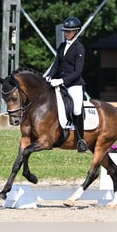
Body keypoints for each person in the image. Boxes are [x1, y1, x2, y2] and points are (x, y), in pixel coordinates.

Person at [45, 17, 88, 153]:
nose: (66, 34)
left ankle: (81, 140)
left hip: (74, 84)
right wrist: (49, 76)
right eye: (65, 31)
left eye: (69, 32)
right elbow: (56, 65)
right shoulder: (62, 46)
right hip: (60, 82)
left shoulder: (79, 48)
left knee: (76, 109)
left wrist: (62, 81)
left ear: (76, 32)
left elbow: (78, 72)